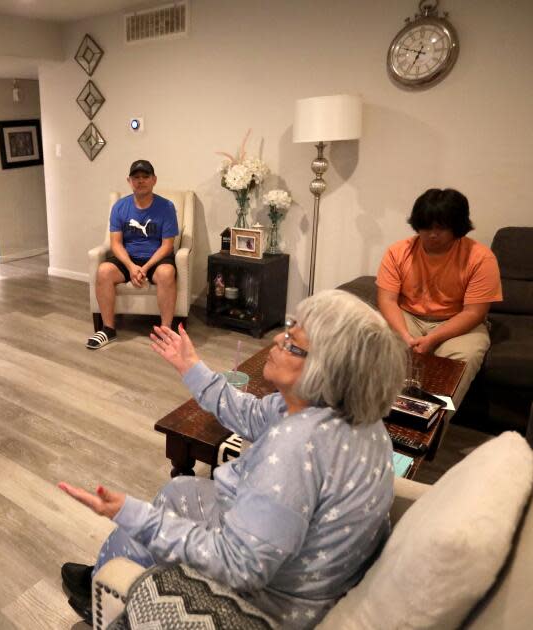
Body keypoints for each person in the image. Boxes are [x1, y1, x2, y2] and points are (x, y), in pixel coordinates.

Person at [60, 290, 407, 627]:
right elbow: (250, 413)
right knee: (179, 489)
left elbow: (241, 565)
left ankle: (109, 591)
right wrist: (190, 366)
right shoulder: (356, 418)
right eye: (288, 328)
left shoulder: (299, 445)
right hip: (292, 556)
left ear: (326, 371)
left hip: (273, 597)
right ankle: (103, 577)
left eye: (292, 343)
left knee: (153, 513)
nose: (276, 341)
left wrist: (132, 513)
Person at [376, 188, 502, 411]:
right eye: (426, 227)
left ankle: (429, 432)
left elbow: (474, 312)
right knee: (380, 340)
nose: (433, 234)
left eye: (441, 228)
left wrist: (433, 338)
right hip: (408, 316)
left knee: (461, 358)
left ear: (457, 227)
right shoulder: (398, 252)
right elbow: (387, 300)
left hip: (458, 321)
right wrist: (404, 335)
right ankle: (377, 419)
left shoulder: (481, 258)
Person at [86, 159, 179, 349]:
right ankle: (108, 329)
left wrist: (144, 268)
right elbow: (116, 243)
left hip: (157, 257)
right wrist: (131, 266)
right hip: (129, 258)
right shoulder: (120, 207)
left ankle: (166, 330)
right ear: (129, 181)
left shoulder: (166, 207)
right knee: (103, 271)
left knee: (167, 274)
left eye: (145, 177)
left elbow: (167, 245)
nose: (141, 181)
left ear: (154, 180)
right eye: (136, 177)